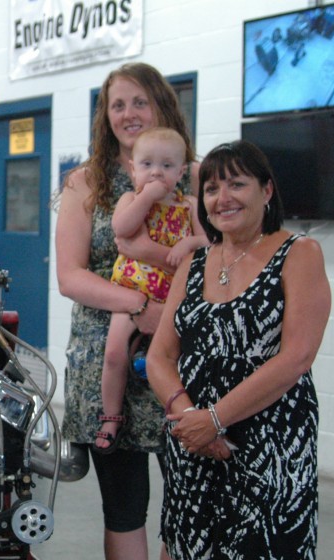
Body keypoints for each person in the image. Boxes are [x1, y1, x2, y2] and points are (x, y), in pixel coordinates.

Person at [55, 62, 217, 560]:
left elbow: (218, 253)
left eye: (140, 102)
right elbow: (71, 275)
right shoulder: (86, 183)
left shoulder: (196, 177)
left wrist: (171, 314)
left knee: (189, 502)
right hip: (110, 360)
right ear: (105, 116)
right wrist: (141, 307)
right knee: (125, 506)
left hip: (184, 362)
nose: (128, 113)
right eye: (117, 104)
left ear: (163, 110)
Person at [147, 140, 330, 560]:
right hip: (194, 439)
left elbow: (297, 356)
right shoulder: (196, 262)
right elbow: (160, 355)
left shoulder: (298, 254)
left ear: (266, 190)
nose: (221, 197)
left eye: (236, 184)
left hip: (271, 441)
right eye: (211, 187)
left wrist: (216, 418)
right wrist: (186, 414)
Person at [97, 127, 208, 455]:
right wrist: (146, 196)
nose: (156, 172)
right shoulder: (131, 200)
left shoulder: (190, 205)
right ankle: (111, 416)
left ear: (181, 172)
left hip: (174, 298)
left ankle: (178, 412)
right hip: (132, 292)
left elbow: (210, 243)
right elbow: (122, 228)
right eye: (147, 165)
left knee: (172, 361)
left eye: (166, 166)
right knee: (115, 354)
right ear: (133, 169)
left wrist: (189, 241)